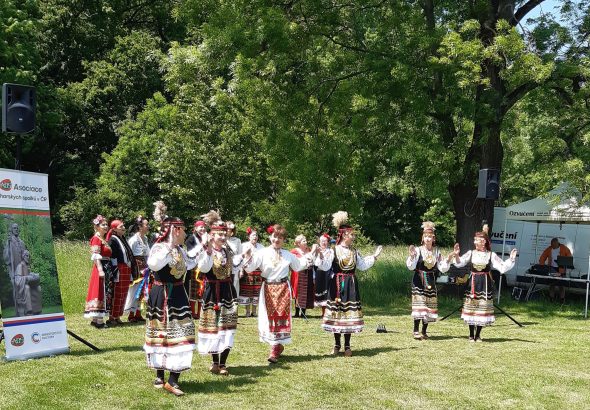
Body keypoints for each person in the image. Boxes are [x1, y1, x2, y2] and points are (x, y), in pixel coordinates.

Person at [144, 208, 200, 396]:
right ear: (175, 231)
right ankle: (161, 374)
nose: (185, 233)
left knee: (182, 331)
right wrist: (168, 247)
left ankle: (173, 379)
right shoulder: (160, 248)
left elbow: (191, 263)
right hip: (162, 293)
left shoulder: (180, 250)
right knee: (161, 331)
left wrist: (204, 246)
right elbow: (153, 264)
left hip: (178, 293)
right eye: (183, 230)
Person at [243, 224, 317, 363]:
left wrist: (311, 253)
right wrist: (247, 256)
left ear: (284, 240)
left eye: (280, 237)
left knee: (281, 316)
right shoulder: (262, 253)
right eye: (274, 236)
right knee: (269, 316)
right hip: (268, 287)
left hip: (283, 288)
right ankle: (276, 346)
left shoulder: (288, 254)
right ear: (270, 237)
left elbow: (299, 265)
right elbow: (249, 268)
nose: (276, 240)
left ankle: (275, 348)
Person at [317, 211, 382, 357]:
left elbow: (362, 265)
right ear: (344, 235)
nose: (353, 237)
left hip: (351, 285)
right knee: (337, 313)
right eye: (351, 234)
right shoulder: (333, 250)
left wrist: (375, 256)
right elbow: (325, 266)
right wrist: (319, 256)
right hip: (336, 284)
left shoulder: (354, 251)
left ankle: (347, 345)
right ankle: (336, 345)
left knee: (348, 314)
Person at [195, 211, 244, 376]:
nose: (223, 237)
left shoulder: (227, 251)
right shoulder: (207, 252)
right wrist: (208, 249)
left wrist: (245, 258)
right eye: (219, 234)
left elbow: (234, 268)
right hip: (212, 292)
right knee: (214, 327)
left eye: (224, 234)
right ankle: (215, 362)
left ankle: (223, 363)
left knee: (227, 328)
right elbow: (203, 268)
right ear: (212, 235)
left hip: (227, 291)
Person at [449, 225, 517, 342]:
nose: (475, 242)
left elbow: (502, 267)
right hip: (473, 284)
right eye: (475, 240)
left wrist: (511, 259)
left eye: (477, 240)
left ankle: (478, 335)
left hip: (485, 284)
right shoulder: (471, 253)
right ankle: (471, 334)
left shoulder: (491, 255)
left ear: (484, 242)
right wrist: (456, 255)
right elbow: (460, 263)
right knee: (471, 308)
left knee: (482, 309)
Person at [406, 221, 450, 340]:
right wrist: (411, 256)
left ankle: (424, 331)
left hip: (430, 280)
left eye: (430, 237)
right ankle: (416, 330)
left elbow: (442, 268)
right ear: (422, 238)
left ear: (433, 238)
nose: (427, 239)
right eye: (425, 236)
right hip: (418, 280)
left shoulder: (437, 251)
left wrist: (448, 260)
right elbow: (410, 266)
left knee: (428, 305)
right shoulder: (418, 250)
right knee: (419, 305)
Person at [84, 215, 112, 328]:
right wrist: (100, 270)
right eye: (103, 225)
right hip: (100, 267)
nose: (106, 226)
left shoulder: (103, 239)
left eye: (106, 225)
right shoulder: (96, 239)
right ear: (97, 226)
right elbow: (95, 256)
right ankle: (99, 321)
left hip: (106, 266)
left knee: (103, 291)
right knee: (100, 291)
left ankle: (96, 319)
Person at [107, 220, 136, 326]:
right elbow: (112, 256)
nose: (124, 228)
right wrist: (115, 271)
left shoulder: (122, 238)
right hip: (119, 268)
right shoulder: (113, 240)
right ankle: (112, 317)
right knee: (117, 293)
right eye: (121, 226)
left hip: (126, 268)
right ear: (114, 229)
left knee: (123, 293)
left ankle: (118, 316)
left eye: (123, 226)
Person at [125, 215, 150, 322]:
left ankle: (138, 313)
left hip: (145, 267)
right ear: (140, 227)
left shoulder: (145, 239)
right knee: (135, 290)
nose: (148, 226)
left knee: (142, 290)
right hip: (136, 268)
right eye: (146, 225)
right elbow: (129, 255)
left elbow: (147, 253)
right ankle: (131, 314)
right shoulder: (134, 240)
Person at [239, 227, 264, 317]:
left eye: (256, 235)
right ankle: (247, 311)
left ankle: (254, 311)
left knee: (256, 291)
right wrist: (241, 270)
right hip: (247, 271)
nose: (255, 237)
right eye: (253, 235)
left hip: (258, 272)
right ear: (249, 237)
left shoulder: (261, 247)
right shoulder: (243, 245)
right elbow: (240, 259)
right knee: (247, 291)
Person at [539, 237, 573, 303]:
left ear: (557, 243)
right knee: (552, 284)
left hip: (561, 269)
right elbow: (543, 256)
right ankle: (551, 298)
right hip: (552, 268)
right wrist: (542, 265)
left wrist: (565, 263)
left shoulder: (563, 248)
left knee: (561, 285)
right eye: (551, 244)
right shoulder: (549, 249)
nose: (552, 246)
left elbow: (569, 257)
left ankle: (562, 299)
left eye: (553, 245)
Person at [185, 220, 207, 319]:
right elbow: (190, 253)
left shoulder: (206, 238)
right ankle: (193, 311)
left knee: (202, 288)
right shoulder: (191, 238)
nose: (203, 229)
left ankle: (199, 312)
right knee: (193, 290)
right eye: (201, 227)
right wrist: (202, 244)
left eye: (204, 227)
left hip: (203, 266)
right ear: (196, 228)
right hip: (194, 267)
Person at [291, 234, 315, 318]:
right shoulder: (294, 251)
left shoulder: (309, 250)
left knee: (306, 291)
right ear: (299, 243)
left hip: (308, 273)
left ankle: (303, 312)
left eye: (306, 240)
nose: (306, 242)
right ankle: (297, 312)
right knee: (298, 291)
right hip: (297, 274)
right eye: (304, 241)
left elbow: (313, 261)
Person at [13, 250, 42, 316]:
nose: (28, 257)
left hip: (29, 285)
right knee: (27, 287)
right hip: (22, 288)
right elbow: (17, 280)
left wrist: (34, 275)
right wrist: (26, 278)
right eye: (27, 256)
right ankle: (29, 311)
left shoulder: (27, 266)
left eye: (29, 256)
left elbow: (29, 275)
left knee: (38, 288)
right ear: (23, 256)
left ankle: (37, 310)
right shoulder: (20, 266)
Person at [314, 233, 333, 316]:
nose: (323, 243)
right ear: (319, 242)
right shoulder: (316, 251)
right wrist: (313, 276)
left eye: (325, 241)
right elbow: (314, 264)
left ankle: (327, 312)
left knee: (327, 292)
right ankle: (323, 312)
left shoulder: (330, 251)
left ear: (328, 242)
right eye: (322, 241)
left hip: (327, 273)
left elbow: (329, 263)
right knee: (320, 292)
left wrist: (321, 255)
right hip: (318, 273)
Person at [225, 221, 243, 298]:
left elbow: (240, 255)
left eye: (230, 229)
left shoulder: (237, 240)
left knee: (234, 286)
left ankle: (233, 303)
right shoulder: (220, 239)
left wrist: (241, 270)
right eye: (227, 228)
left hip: (234, 267)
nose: (228, 230)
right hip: (223, 266)